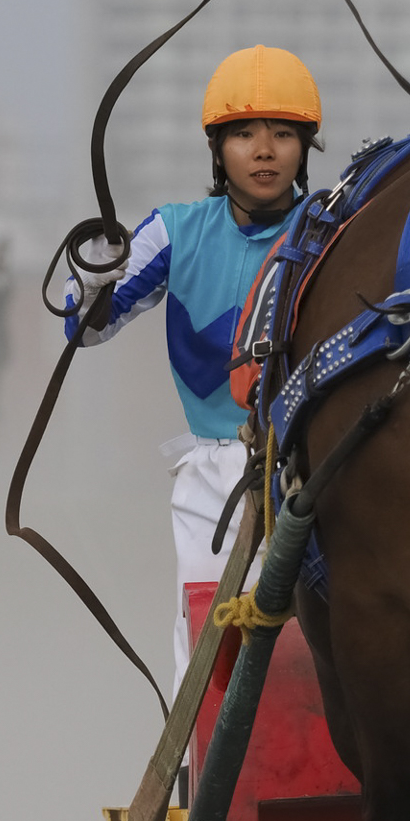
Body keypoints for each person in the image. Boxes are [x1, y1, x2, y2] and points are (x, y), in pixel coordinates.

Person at [65, 45, 322, 686]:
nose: (264, 151)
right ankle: (196, 782)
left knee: (323, 650)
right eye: (244, 134)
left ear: (305, 148)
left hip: (316, 468)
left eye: (283, 134)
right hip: (214, 478)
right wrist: (94, 279)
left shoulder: (332, 231)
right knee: (207, 654)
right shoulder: (173, 230)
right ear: (217, 149)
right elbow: (85, 330)